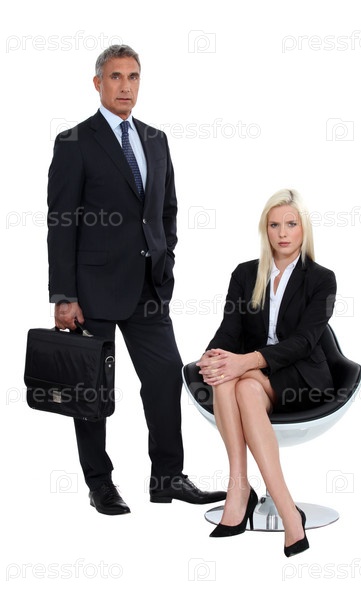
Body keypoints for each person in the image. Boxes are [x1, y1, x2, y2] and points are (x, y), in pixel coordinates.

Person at [47, 44, 226, 515]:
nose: (125, 86)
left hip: (148, 287)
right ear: (98, 83)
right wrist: (63, 295)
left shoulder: (155, 139)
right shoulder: (74, 141)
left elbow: (166, 209)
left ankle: (167, 477)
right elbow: (61, 222)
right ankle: (100, 484)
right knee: (92, 389)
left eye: (133, 77)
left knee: (166, 377)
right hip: (91, 291)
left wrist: (165, 260)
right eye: (115, 77)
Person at [196, 189, 336, 556]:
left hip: (302, 376)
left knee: (237, 378)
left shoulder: (322, 279)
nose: (283, 233)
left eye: (291, 224)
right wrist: (213, 356)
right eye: (274, 225)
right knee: (230, 379)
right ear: (265, 229)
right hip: (252, 379)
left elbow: (305, 342)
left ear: (304, 228)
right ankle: (244, 489)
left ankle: (272, 506)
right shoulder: (245, 274)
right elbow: (228, 332)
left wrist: (246, 361)